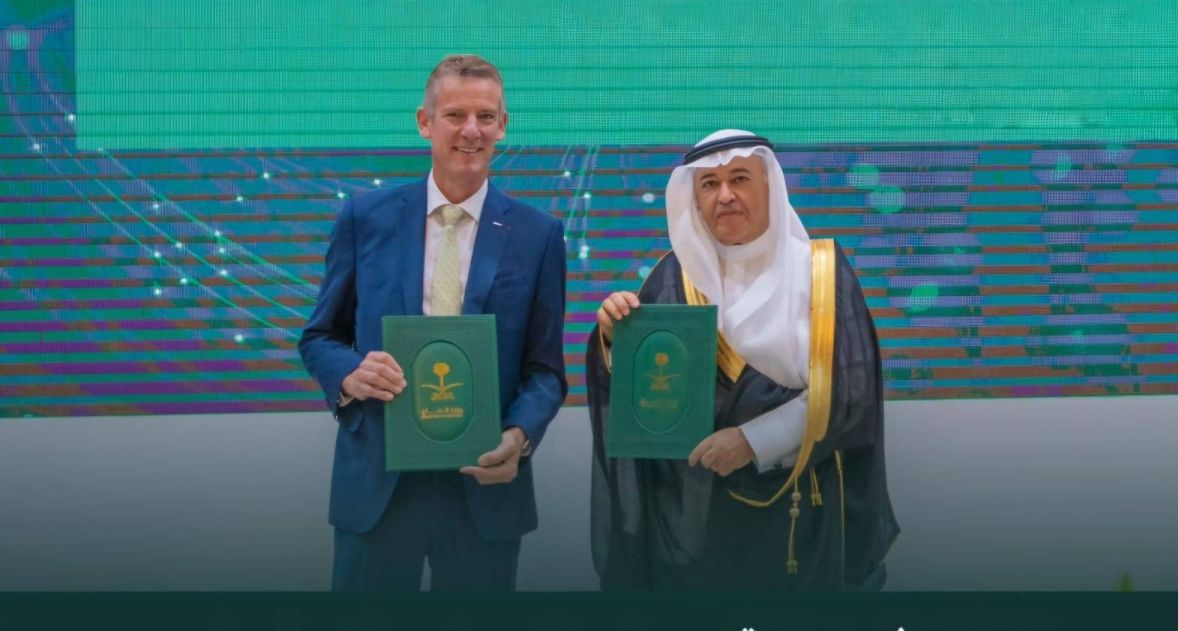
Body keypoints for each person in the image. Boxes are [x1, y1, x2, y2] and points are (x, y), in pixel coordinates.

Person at [299, 54, 566, 591]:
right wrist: (349, 374)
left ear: (503, 125)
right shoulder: (364, 218)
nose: (472, 130)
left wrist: (519, 437)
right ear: (424, 122)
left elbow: (545, 370)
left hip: (484, 485)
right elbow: (320, 337)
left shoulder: (538, 234)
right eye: (455, 115)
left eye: (486, 117)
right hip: (379, 483)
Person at [587, 129, 898, 590]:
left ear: (769, 186)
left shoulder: (820, 271)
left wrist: (753, 441)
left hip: (800, 510)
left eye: (739, 179)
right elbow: (648, 397)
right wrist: (615, 339)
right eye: (710, 184)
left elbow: (851, 394)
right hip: (699, 519)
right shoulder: (672, 278)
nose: (725, 195)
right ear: (694, 199)